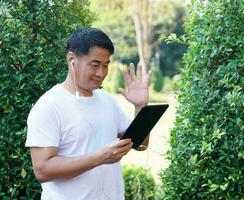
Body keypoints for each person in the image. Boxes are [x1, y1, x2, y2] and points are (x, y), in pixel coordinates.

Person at [25, 27, 151, 200]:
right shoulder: (49, 106)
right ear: (71, 59)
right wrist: (100, 157)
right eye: (95, 65)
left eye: (106, 66)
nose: (101, 73)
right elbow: (42, 170)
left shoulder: (108, 101)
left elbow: (141, 144)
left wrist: (140, 108)